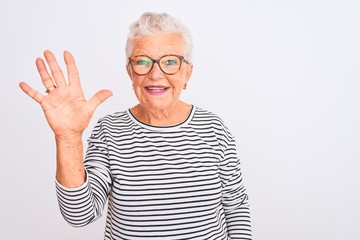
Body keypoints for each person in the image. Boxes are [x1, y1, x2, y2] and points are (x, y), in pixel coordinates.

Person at [19, 12, 252, 240]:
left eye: (170, 61)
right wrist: (68, 138)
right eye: (142, 61)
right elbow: (79, 215)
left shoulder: (213, 128)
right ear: (130, 71)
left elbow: (236, 205)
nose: (155, 74)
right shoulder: (109, 131)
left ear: (187, 72)